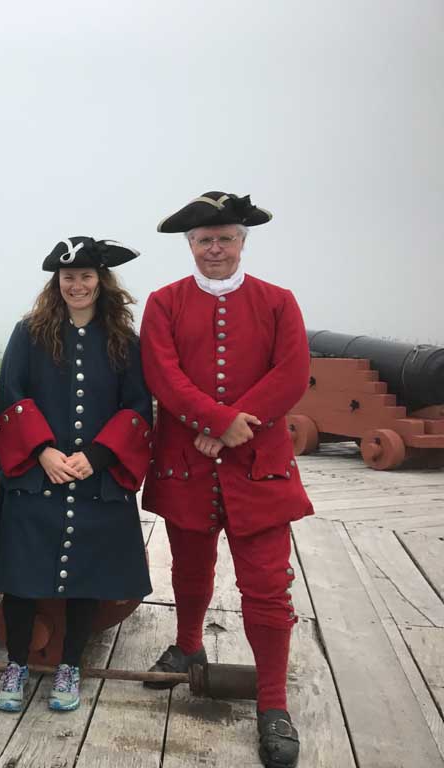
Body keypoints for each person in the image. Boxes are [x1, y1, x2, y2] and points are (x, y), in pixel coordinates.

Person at [140, 191, 312, 768]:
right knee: (189, 570)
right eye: (204, 240)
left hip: (258, 466)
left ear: (243, 242)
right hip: (188, 463)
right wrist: (215, 421)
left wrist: (238, 426)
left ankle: (272, 704)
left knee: (267, 587)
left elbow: (292, 374)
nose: (215, 249)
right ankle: (188, 646)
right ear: (190, 246)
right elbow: (162, 373)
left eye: (226, 238)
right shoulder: (163, 304)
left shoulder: (279, 302)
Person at [0, 236, 153, 712]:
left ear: (101, 281)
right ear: (55, 283)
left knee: (88, 578)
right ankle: (15, 664)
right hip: (38, 477)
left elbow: (138, 407)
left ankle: (70, 667)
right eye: (67, 277)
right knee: (20, 577)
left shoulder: (125, 340)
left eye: (85, 276)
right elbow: (11, 395)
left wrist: (99, 456)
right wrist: (42, 451)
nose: (76, 285)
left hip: (95, 481)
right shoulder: (30, 333)